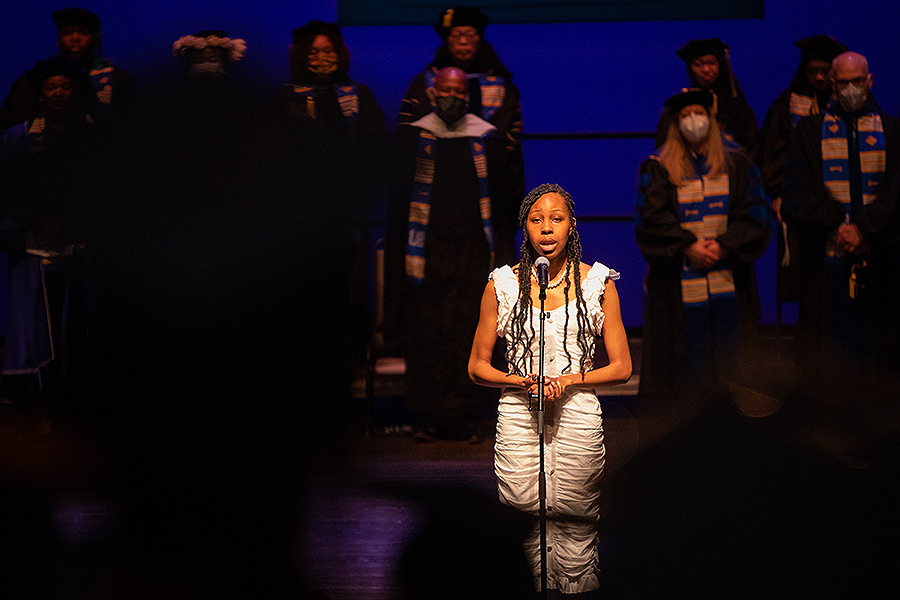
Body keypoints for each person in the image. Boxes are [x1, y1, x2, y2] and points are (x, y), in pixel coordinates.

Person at [468, 183, 632, 596]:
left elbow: (622, 367)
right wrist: (519, 381)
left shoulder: (597, 283)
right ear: (524, 227)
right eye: (536, 220)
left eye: (556, 219)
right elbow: (477, 367)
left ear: (571, 226)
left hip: (577, 413)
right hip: (519, 414)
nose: (546, 228)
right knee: (522, 517)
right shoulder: (503, 284)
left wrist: (568, 380)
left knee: (576, 520)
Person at [385, 66, 520, 441]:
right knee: (429, 333)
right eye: (445, 90)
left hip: (473, 253)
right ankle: (431, 417)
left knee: (469, 331)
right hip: (425, 252)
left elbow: (504, 203)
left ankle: (468, 416)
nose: (452, 97)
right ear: (432, 94)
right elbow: (398, 203)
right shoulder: (412, 139)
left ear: (467, 95)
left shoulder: (487, 140)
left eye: (459, 92)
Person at [781, 51, 900, 403]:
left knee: (881, 357)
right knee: (827, 355)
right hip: (825, 261)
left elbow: (896, 191)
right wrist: (838, 227)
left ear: (870, 81)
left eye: (857, 81)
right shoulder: (809, 131)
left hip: (881, 259)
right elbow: (798, 193)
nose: (850, 89)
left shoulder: (893, 130)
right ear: (832, 85)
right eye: (843, 82)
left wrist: (865, 228)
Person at [637, 89, 770, 397]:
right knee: (686, 361)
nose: (692, 121)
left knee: (731, 355)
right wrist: (688, 245)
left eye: (698, 113)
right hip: (677, 284)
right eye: (684, 116)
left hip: (730, 276)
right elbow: (650, 219)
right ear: (675, 124)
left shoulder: (737, 162)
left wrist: (724, 245)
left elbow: (755, 213)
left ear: (711, 119)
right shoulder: (658, 166)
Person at [278, 20, 387, 378]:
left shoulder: (359, 95)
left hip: (346, 212)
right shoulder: (284, 97)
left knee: (347, 290)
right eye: (313, 51)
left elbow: (375, 152)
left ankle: (346, 364)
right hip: (297, 213)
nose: (321, 57)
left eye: (328, 51)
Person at [0, 55, 99, 417]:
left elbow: (103, 186)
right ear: (41, 93)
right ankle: (33, 395)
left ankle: (75, 396)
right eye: (52, 86)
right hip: (32, 244)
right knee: (34, 324)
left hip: (79, 243)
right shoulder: (17, 138)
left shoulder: (93, 134)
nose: (59, 92)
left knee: (76, 321)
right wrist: (33, 217)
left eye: (66, 86)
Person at [756, 35, 849, 305]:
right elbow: (774, 150)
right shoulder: (790, 102)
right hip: (804, 202)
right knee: (809, 279)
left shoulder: (849, 102)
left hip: (842, 197)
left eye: (825, 71)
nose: (819, 77)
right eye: (812, 71)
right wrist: (777, 193)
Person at [398, 6, 524, 201]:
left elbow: (509, 142)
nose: (463, 41)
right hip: (434, 175)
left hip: (486, 176)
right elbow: (408, 133)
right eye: (456, 35)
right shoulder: (424, 83)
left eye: (469, 35)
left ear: (479, 39)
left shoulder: (501, 86)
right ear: (447, 40)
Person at [0, 7, 136, 132]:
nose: (75, 38)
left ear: (95, 39)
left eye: (83, 32)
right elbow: (11, 122)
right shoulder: (37, 76)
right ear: (58, 40)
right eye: (68, 32)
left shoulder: (115, 77)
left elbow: (132, 121)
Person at [655, 38, 758, 153]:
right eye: (698, 64)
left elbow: (750, 146)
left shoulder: (738, 107)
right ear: (690, 69)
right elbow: (663, 147)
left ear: (720, 65)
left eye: (712, 63)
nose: (706, 69)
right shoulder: (679, 106)